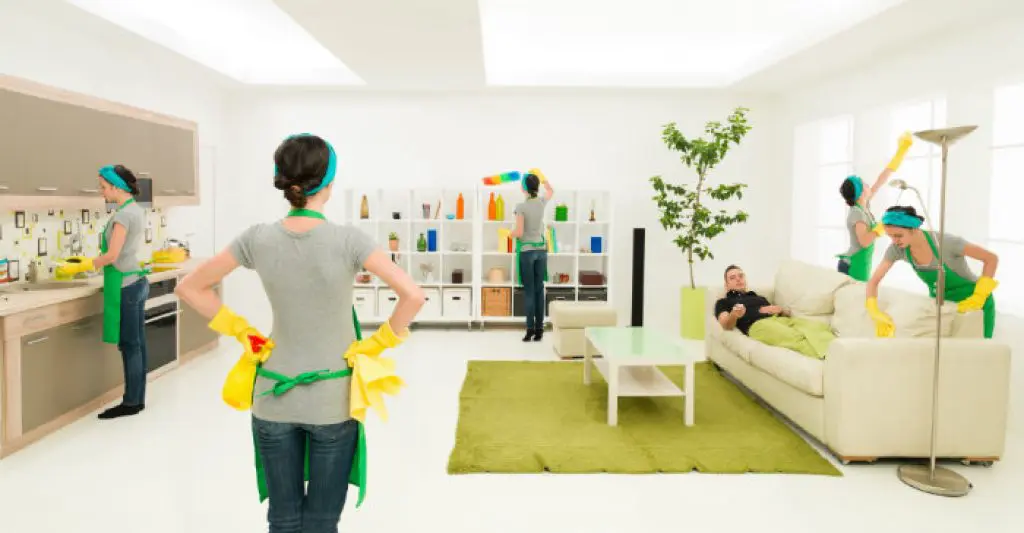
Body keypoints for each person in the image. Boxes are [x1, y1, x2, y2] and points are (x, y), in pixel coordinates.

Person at [176, 133, 424, 532]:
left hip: (272, 394)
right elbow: (412, 295)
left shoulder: (256, 238)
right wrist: (375, 346)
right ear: (328, 183)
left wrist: (245, 335)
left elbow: (189, 287)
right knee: (322, 522)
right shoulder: (349, 240)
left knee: (283, 518)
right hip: (332, 400)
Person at [66, 165, 150, 419]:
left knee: (130, 345)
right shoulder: (134, 209)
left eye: (103, 187)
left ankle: (132, 402)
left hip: (127, 285)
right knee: (137, 344)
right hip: (135, 280)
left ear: (116, 187)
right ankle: (137, 398)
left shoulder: (123, 215)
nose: (101, 192)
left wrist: (85, 264)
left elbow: (113, 256)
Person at [865, 205, 999, 339]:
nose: (894, 241)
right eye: (890, 236)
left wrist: (979, 297)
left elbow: (991, 259)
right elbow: (873, 281)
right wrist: (874, 311)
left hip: (974, 305)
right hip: (944, 307)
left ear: (914, 228)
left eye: (898, 235)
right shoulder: (898, 249)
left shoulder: (946, 243)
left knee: (977, 354)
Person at [836, 132, 913, 281]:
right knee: (855, 300)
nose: (868, 185)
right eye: (864, 184)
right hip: (853, 265)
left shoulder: (864, 204)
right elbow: (864, 241)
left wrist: (901, 152)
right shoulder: (857, 214)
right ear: (860, 194)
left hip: (859, 262)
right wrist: (880, 228)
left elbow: (882, 178)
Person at [714, 265, 836, 359]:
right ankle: (830, 359)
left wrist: (780, 310)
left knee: (817, 327)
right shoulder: (724, 302)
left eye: (741, 276)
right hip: (757, 325)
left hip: (780, 319)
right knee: (795, 337)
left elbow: (781, 313)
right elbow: (726, 324)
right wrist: (734, 315)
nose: (738, 279)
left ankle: (841, 354)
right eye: (732, 278)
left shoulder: (756, 296)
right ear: (726, 285)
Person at [511, 169, 554, 342]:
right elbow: (551, 190)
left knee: (529, 291)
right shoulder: (542, 202)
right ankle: (540, 330)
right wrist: (544, 179)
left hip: (527, 252)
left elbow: (520, 232)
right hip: (541, 251)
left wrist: (509, 233)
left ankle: (529, 330)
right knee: (539, 289)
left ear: (523, 189)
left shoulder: (521, 207)